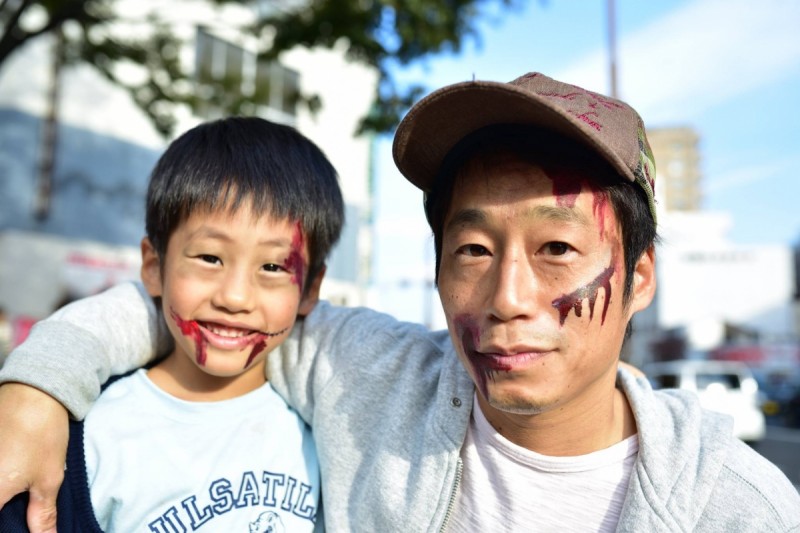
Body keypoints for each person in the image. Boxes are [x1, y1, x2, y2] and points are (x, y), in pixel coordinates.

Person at [2, 72, 799, 532]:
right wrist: (36, 389)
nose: (507, 296)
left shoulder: (737, 509)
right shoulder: (371, 377)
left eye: (557, 249)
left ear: (641, 276)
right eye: (472, 250)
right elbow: (207, 309)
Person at [0, 116, 344, 532]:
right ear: (153, 267)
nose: (234, 298)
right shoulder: (87, 438)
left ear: (310, 290)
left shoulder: (325, 441)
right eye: (209, 258)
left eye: (273, 266)